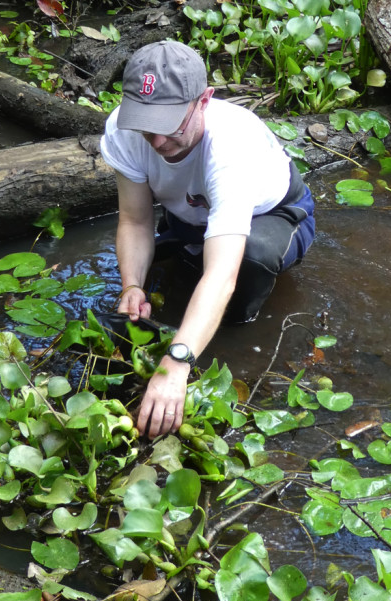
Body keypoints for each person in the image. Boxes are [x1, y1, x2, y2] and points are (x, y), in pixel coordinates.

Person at [99, 40, 316, 439]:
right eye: (146, 125)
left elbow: (221, 274)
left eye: (169, 126)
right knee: (156, 281)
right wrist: (132, 285)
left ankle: (238, 330)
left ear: (204, 101)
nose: (157, 142)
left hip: (270, 215)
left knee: (248, 262)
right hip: (189, 215)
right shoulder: (124, 129)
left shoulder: (231, 146)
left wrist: (176, 364)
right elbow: (134, 219)